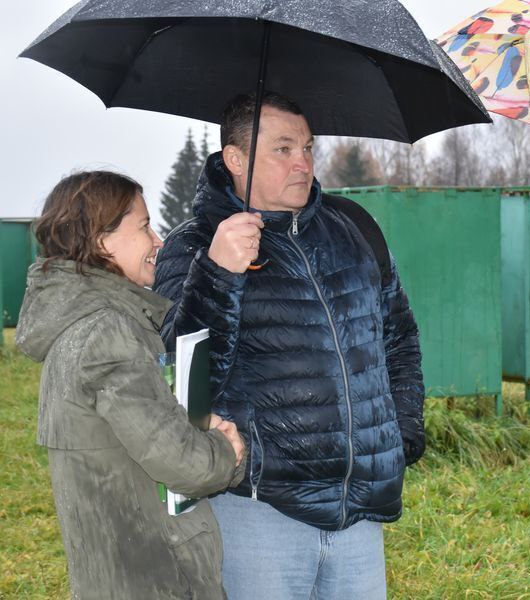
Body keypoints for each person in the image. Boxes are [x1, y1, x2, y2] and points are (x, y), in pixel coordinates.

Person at [153, 91, 425, 599]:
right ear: (235, 159)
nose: (302, 163)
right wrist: (217, 274)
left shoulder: (355, 228)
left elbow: (400, 339)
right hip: (258, 511)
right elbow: (183, 381)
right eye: (283, 149)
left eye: (307, 147)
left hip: (359, 510)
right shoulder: (191, 245)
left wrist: (400, 434)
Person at [16, 171, 246, 599]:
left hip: (114, 571)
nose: (158, 240)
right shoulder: (109, 331)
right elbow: (180, 462)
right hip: (151, 575)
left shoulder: (78, 325)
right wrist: (226, 450)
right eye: (143, 226)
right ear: (103, 241)